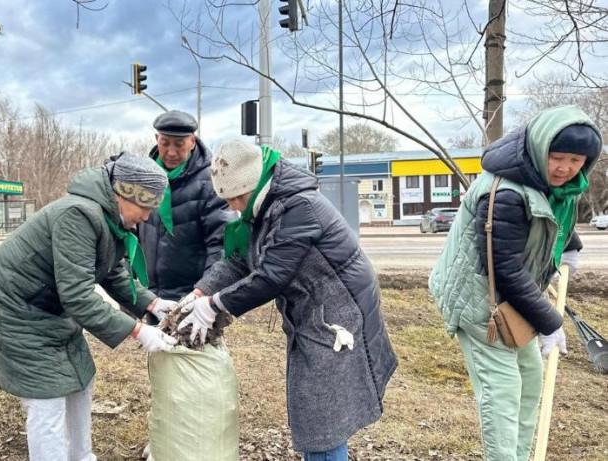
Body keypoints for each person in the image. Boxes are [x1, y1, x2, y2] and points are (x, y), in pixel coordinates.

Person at [177, 140, 398, 461]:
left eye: (236, 198)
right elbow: (241, 261)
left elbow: (271, 276)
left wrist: (214, 306)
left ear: (252, 186)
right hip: (312, 307)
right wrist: (199, 293)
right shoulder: (264, 206)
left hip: (339, 310)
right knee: (317, 408)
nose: (234, 207)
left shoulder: (296, 207)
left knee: (323, 413)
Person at [0, 153, 180, 461]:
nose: (148, 217)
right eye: (147, 207)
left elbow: (112, 272)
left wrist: (155, 304)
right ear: (124, 194)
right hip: (13, 309)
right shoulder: (79, 215)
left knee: (80, 380)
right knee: (48, 398)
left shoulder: (109, 219)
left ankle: (81, 457)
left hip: (47, 307)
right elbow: (78, 295)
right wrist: (139, 331)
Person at [429, 105, 602, 461]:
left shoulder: (554, 183)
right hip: (481, 304)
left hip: (514, 302)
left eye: (576, 160)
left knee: (530, 382)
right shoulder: (506, 192)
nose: (566, 168)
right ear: (541, 150)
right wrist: (551, 323)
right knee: (502, 395)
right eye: (558, 157)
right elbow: (505, 270)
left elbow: (553, 217)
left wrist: (570, 246)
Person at [138, 110, 235, 318]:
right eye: (165, 143)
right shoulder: (145, 178)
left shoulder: (212, 181)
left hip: (192, 295)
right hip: (152, 296)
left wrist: (204, 294)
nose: (171, 152)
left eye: (179, 144)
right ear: (157, 139)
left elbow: (221, 244)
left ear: (192, 141)